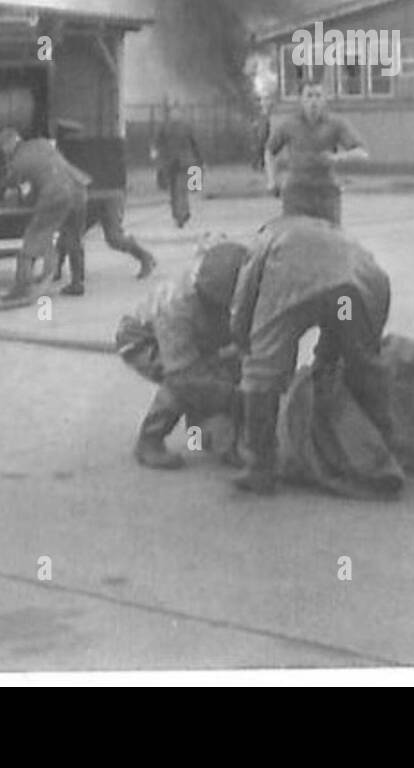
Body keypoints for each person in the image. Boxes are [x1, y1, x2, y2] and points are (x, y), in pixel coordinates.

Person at [228, 214, 393, 495]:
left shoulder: (271, 234)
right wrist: (353, 352)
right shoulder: (341, 236)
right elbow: (377, 288)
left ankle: (260, 468)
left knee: (262, 370)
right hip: (350, 294)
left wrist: (242, 339)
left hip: (293, 286)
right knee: (361, 365)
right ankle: (383, 452)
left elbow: (245, 297)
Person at [116, 240, 248, 470]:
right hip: (140, 339)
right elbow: (182, 373)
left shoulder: (232, 274)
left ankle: (201, 436)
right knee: (184, 384)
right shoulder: (177, 306)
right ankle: (149, 441)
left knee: (227, 369)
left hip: (200, 329)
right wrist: (232, 396)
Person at [52, 121, 156, 286]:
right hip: (103, 195)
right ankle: (56, 269)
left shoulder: (72, 152)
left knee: (98, 236)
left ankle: (145, 257)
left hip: (101, 196)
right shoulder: (93, 148)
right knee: (78, 235)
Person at [0, 127, 87, 301]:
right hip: (79, 188)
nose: (3, 152)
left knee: (33, 238)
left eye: (2, 149)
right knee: (73, 237)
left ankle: (21, 288)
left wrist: (28, 201)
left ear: (8, 146)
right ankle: (77, 283)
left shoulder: (17, 162)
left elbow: (19, 189)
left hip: (55, 195)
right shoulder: (42, 142)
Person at [265, 81, 368, 225]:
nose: (313, 101)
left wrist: (337, 157)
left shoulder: (336, 124)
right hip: (297, 192)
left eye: (318, 96)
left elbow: (362, 153)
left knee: (330, 239)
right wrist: (272, 180)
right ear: (301, 100)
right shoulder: (289, 125)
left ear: (324, 100)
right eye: (309, 96)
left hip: (326, 192)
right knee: (296, 238)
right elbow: (270, 151)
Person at [150, 99, 203, 229]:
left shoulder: (164, 126)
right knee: (180, 189)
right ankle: (182, 213)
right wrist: (199, 161)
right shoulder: (186, 126)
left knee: (176, 190)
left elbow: (156, 143)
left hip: (171, 162)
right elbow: (195, 144)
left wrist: (156, 158)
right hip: (183, 161)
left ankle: (179, 214)